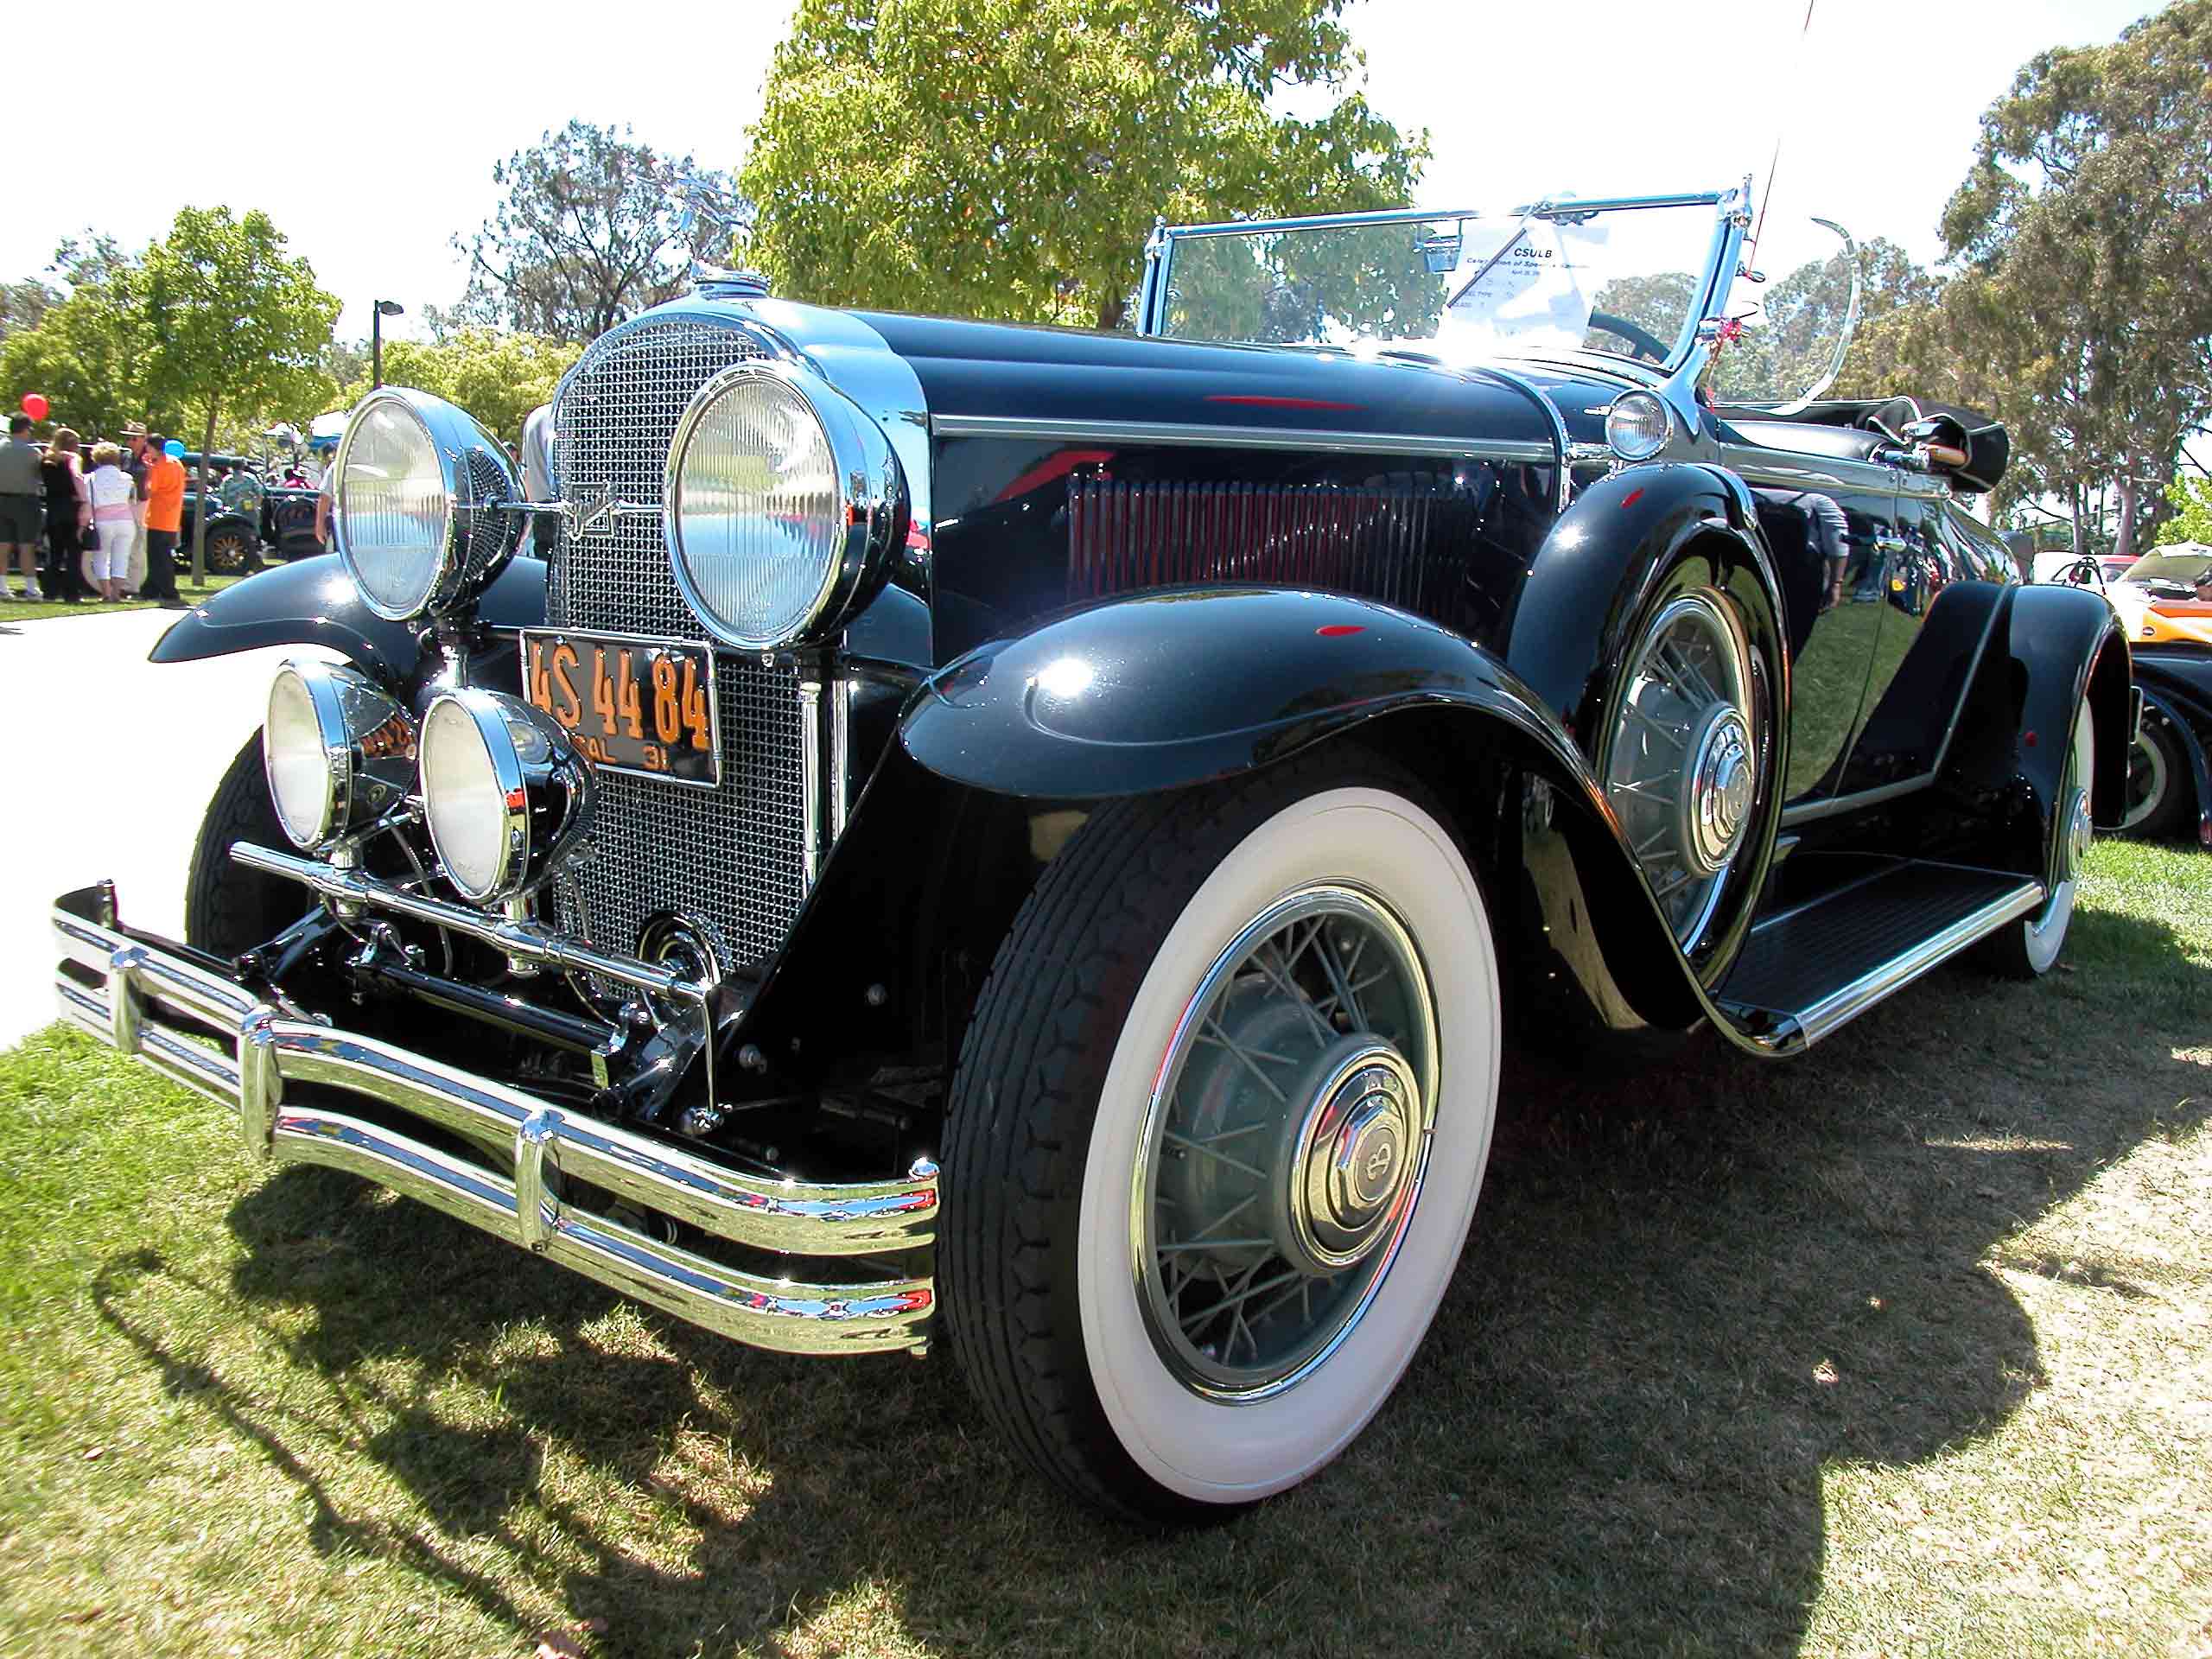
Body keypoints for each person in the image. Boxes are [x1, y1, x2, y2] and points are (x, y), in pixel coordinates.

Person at [38, 426, 91, 603]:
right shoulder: (72, 459)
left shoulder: (47, 460)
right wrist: (84, 499)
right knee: (74, 554)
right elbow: (77, 478)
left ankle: (50, 591)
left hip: (54, 510)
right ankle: (72, 593)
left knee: (55, 554)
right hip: (71, 509)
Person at [1, 413, 48, 600]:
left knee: (3, 545)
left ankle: (2, 587)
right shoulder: (32, 453)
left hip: (2, 500)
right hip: (26, 501)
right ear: (26, 429)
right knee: (26, 546)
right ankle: (31, 588)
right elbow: (40, 478)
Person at [86, 443, 138, 602]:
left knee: (101, 558)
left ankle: (106, 593)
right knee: (121, 558)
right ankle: (117, 593)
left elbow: (89, 501)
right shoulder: (127, 478)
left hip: (102, 520)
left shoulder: (90, 478)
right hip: (125, 520)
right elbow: (133, 500)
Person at [139, 434, 187, 607]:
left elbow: (150, 489)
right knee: (161, 555)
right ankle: (150, 589)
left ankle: (169, 592)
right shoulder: (177, 464)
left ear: (153, 447)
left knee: (158, 557)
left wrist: (149, 471)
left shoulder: (159, 467)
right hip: (172, 517)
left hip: (158, 517)